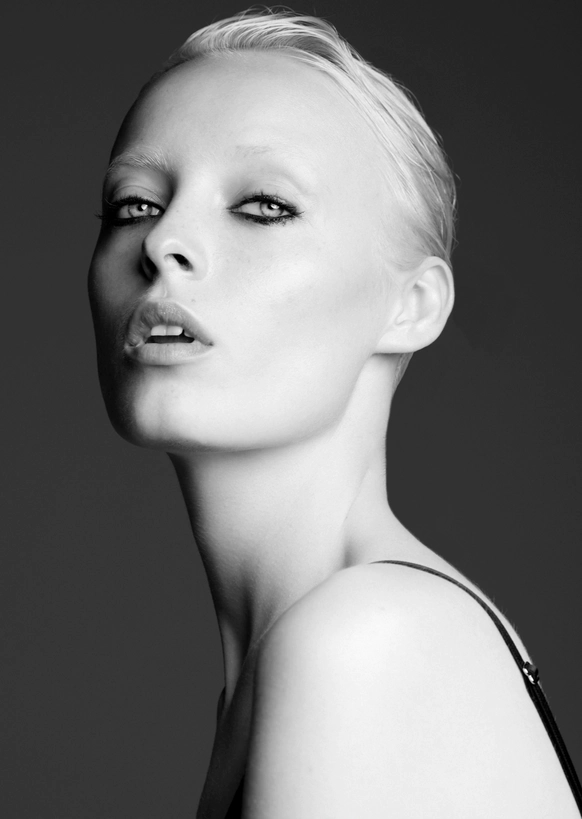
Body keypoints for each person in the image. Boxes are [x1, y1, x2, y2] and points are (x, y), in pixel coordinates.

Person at [88, 9, 582, 818]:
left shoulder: (365, 643)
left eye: (263, 206)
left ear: (411, 306)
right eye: (134, 205)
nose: (162, 241)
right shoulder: (312, 656)